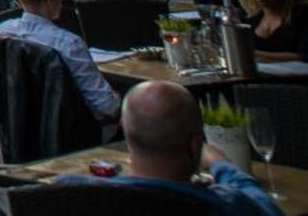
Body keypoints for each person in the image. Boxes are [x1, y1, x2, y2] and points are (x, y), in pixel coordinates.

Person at [56, 80, 284, 214]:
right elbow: (267, 207)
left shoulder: (71, 193)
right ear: (195, 145)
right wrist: (221, 164)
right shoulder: (223, 202)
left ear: (125, 131)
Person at [0, 0, 121, 123]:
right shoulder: (68, 44)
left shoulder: (1, 34)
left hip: (17, 131)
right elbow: (107, 106)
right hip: (71, 134)